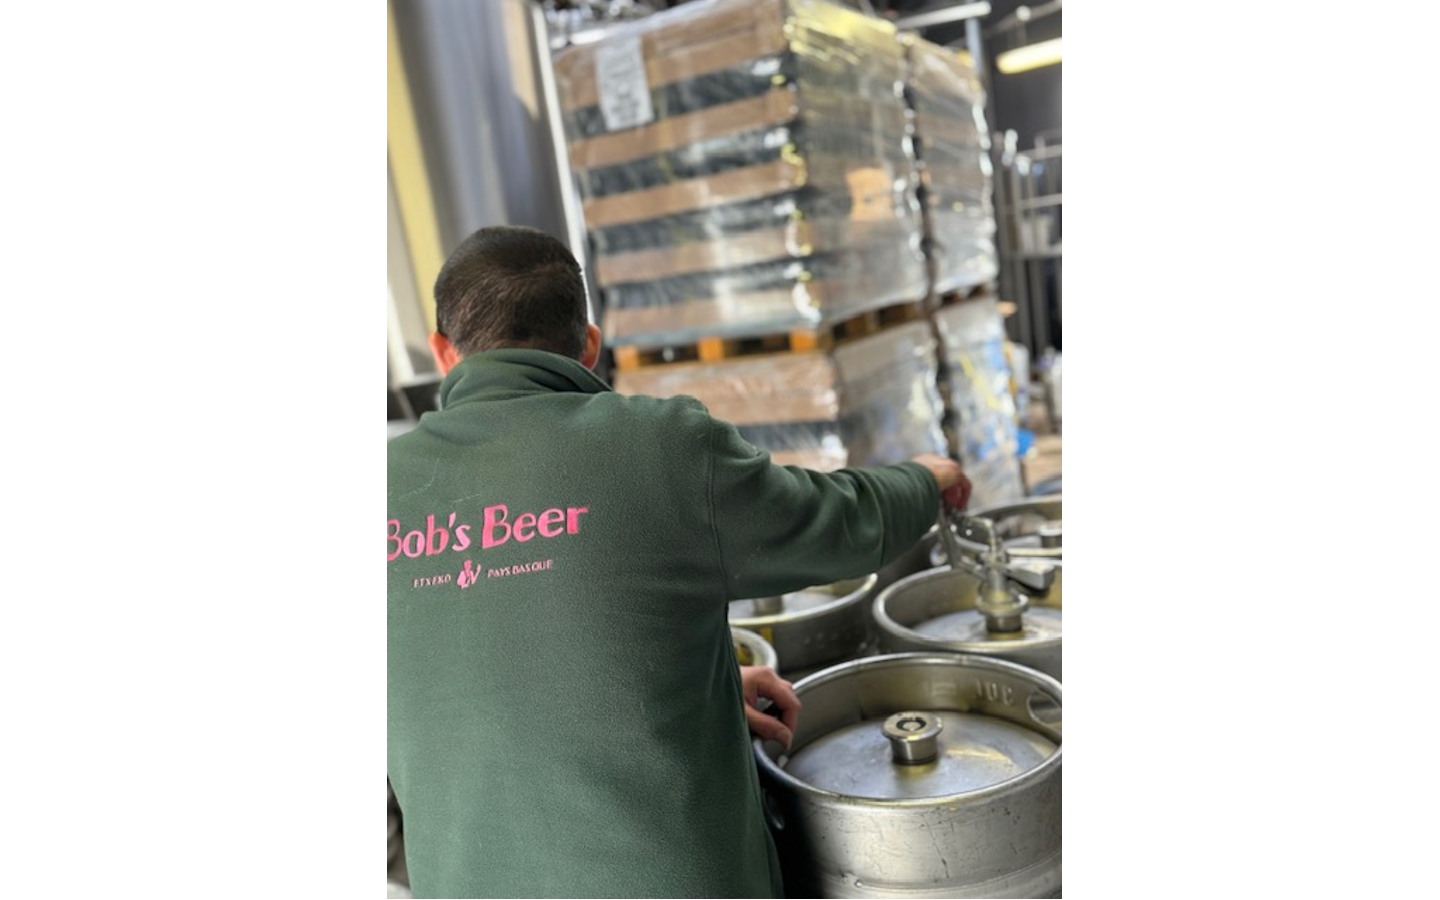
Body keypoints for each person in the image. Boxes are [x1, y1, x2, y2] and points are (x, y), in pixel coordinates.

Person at [387, 225, 971, 899]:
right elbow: (839, 525)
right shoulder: (660, 448)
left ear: (443, 352)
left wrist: (696, 685)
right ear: (590, 347)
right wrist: (924, 480)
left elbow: (462, 672)